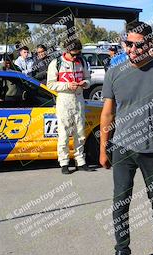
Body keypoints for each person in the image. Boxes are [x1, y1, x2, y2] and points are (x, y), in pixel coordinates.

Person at [99, 21, 153, 255]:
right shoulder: (114, 72)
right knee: (120, 202)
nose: (132, 49)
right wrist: (104, 147)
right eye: (128, 44)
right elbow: (107, 114)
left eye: (138, 44)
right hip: (123, 148)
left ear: (150, 44)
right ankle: (122, 252)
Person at [47, 39, 93, 174]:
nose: (75, 57)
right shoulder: (56, 63)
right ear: (66, 51)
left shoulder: (82, 61)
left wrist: (85, 83)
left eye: (77, 54)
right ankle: (64, 162)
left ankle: (81, 161)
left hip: (79, 99)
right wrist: (67, 85)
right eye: (73, 55)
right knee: (64, 133)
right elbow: (50, 85)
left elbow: (88, 78)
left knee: (80, 133)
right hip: (64, 99)